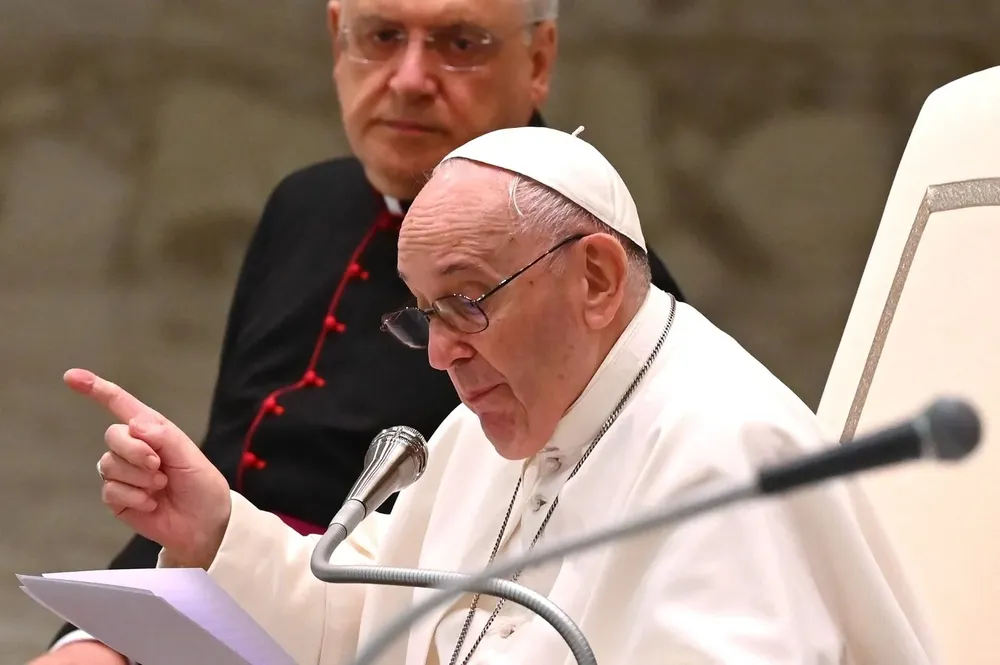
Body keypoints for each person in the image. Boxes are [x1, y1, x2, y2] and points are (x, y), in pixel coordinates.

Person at [73, 126, 934, 665]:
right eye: (423, 314)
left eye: (466, 300)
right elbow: (367, 617)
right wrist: (215, 526)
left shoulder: (724, 455)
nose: (440, 351)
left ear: (596, 278)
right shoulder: (495, 426)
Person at [35, 0, 685, 662]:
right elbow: (223, 475)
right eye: (381, 35)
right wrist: (96, 638)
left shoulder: (598, 307)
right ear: (336, 37)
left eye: (460, 43)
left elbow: (536, 612)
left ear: (539, 60)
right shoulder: (306, 205)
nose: (409, 79)